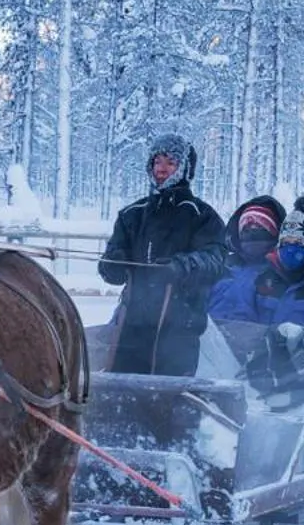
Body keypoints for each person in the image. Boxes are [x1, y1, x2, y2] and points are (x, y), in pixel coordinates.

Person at [97, 134, 230, 376]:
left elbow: (217, 260)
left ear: (184, 168)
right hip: (131, 326)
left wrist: (183, 266)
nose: (162, 169)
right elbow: (110, 270)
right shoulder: (131, 215)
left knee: (169, 403)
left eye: (170, 163)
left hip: (180, 329)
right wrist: (113, 262)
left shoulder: (201, 216)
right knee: (123, 397)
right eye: (157, 161)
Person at [208, 203, 304, 347]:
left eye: (298, 243)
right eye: (286, 242)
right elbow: (241, 317)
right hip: (264, 363)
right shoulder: (262, 279)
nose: (291, 248)